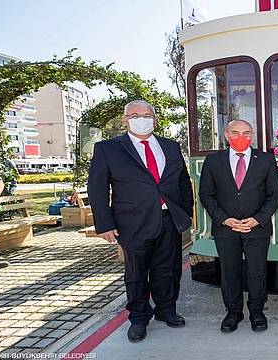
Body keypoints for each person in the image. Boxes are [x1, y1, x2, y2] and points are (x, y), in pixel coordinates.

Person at [88, 100, 194, 343]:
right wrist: (104, 224)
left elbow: (182, 182)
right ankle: (138, 318)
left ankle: (166, 310)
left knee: (168, 269)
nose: (141, 118)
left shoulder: (170, 146)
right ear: (126, 119)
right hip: (132, 222)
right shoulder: (108, 149)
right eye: (135, 115)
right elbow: (97, 188)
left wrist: (185, 212)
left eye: (147, 114)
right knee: (136, 273)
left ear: (154, 119)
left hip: (169, 219)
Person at [198, 119, 278, 333]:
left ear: (252, 136)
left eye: (246, 132)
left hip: (257, 227)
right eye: (235, 132)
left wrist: (258, 219)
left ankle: (257, 312)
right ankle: (233, 313)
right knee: (229, 272)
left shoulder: (265, 160)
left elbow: (273, 195)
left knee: (257, 271)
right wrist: (224, 219)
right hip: (226, 228)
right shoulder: (213, 161)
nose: (241, 137)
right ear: (226, 135)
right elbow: (206, 194)